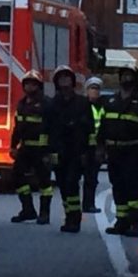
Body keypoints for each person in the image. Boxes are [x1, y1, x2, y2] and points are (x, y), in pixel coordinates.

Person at [101, 65, 138, 236]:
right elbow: (102, 127)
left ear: (136, 79)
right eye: (123, 75)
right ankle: (121, 221)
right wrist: (99, 147)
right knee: (118, 186)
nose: (126, 78)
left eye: (129, 75)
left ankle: (135, 223)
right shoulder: (110, 101)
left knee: (134, 188)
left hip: (133, 150)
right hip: (113, 151)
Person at [48, 67, 94, 233]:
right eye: (61, 79)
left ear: (73, 81)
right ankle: (69, 215)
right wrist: (48, 152)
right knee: (62, 184)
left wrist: (88, 152)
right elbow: (47, 128)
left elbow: (90, 128)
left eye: (67, 78)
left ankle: (75, 219)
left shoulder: (82, 103)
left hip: (76, 151)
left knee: (72, 182)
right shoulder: (52, 104)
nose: (65, 81)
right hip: (57, 151)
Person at [9, 70, 54, 224]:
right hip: (25, 148)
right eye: (27, 84)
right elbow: (17, 127)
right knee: (16, 176)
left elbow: (52, 128)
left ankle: (44, 213)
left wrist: (50, 151)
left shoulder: (47, 103)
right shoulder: (22, 104)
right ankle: (28, 209)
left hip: (41, 150)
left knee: (44, 183)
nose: (29, 87)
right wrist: (13, 146)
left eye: (33, 84)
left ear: (39, 86)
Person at [82, 76, 106, 213]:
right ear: (87, 90)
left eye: (97, 89)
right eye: (92, 88)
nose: (94, 91)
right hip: (82, 147)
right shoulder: (81, 105)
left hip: (96, 147)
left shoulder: (103, 107)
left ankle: (88, 204)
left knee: (92, 179)